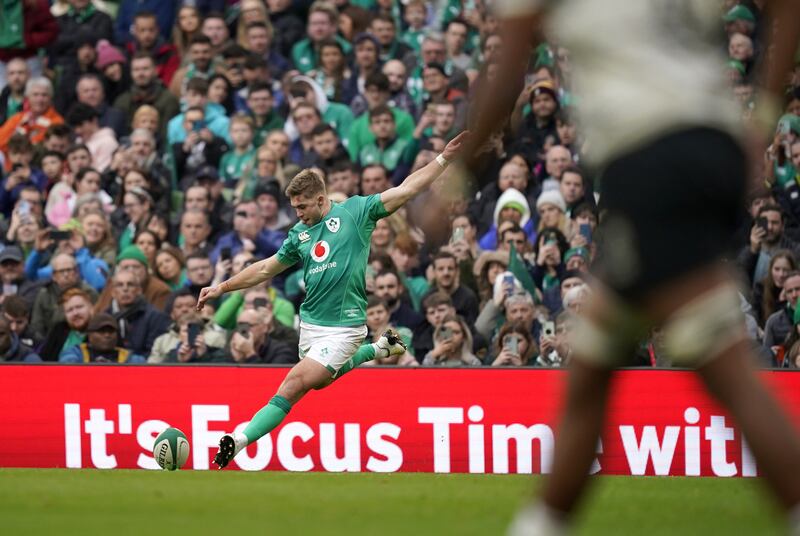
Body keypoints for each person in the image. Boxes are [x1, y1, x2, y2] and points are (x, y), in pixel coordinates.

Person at [469, 1, 800, 533]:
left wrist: (457, 176)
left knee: (726, 367)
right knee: (592, 365)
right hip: (712, 147)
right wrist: (761, 114)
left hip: (647, 155)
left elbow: (507, 67)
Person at [196, 131, 469, 468]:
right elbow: (266, 268)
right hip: (311, 325)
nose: (297, 214)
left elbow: (407, 189)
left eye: (302, 206)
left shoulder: (357, 212)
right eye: (294, 207)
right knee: (321, 382)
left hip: (345, 327)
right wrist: (221, 288)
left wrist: (442, 159)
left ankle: (238, 439)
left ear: (322, 200)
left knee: (294, 382)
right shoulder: (300, 234)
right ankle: (382, 348)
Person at [59, 312, 146, 363]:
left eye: (111, 331)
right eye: (101, 331)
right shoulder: (75, 352)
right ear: (89, 335)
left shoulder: (132, 359)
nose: (107, 335)